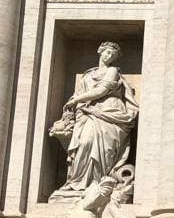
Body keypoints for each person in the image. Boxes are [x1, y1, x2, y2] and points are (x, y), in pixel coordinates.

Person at [50, 41, 139, 198]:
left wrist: (77, 100)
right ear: (100, 51)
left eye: (113, 55)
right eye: (107, 52)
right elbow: (80, 93)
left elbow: (102, 90)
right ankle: (77, 183)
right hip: (86, 113)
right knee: (83, 144)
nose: (109, 56)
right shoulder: (88, 74)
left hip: (109, 112)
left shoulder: (113, 71)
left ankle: (98, 184)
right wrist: (76, 103)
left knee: (104, 149)